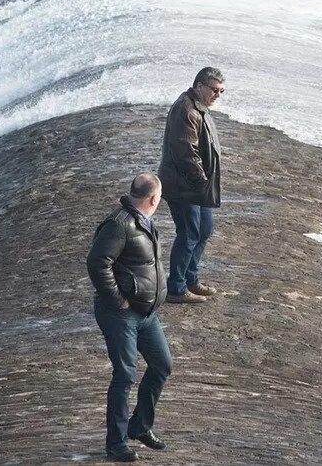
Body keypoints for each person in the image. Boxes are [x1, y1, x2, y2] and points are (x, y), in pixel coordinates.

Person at [87, 173, 172, 462]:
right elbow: (97, 262)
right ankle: (116, 444)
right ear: (153, 199)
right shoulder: (119, 224)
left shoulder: (146, 222)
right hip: (120, 313)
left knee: (162, 365)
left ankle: (140, 426)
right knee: (124, 375)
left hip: (146, 313)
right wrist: (117, 298)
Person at [157, 67, 224, 305]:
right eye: (214, 90)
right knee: (189, 234)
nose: (218, 95)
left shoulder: (198, 106)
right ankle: (176, 287)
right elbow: (186, 153)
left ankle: (190, 279)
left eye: (221, 91)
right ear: (199, 86)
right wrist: (203, 181)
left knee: (204, 230)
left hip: (195, 186)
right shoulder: (186, 109)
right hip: (184, 186)